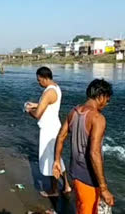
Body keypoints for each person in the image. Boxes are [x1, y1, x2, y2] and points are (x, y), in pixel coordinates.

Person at [53, 79, 114, 213]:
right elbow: (94, 153)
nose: (106, 104)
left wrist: (57, 160)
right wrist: (103, 188)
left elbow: (61, 137)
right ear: (101, 96)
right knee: (88, 209)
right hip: (89, 177)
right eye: (107, 100)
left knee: (81, 205)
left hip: (74, 172)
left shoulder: (73, 112)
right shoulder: (98, 118)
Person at [25, 66, 71, 197]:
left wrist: (28, 110)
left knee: (51, 160)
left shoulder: (48, 92)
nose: (39, 82)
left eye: (39, 80)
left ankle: (54, 190)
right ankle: (66, 186)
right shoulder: (55, 87)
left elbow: (38, 114)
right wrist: (34, 104)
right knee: (57, 158)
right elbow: (48, 105)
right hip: (55, 127)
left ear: (45, 78)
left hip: (49, 130)